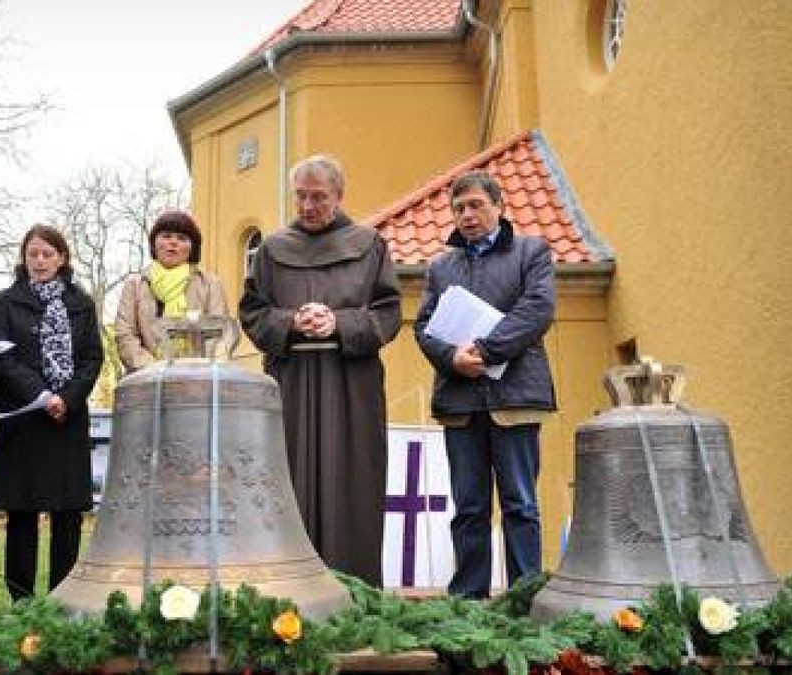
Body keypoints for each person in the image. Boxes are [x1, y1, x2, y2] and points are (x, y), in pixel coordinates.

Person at [238, 154, 401, 587]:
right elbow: (253, 314)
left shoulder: (369, 245)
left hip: (351, 383)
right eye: (301, 196)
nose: (308, 206)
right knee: (286, 479)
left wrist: (340, 323)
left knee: (353, 481)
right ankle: (287, 588)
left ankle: (355, 592)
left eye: (318, 197)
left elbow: (388, 313)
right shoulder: (272, 249)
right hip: (291, 382)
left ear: (339, 196)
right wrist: (291, 322)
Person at [413, 170, 557, 599]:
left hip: (515, 397)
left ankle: (524, 597)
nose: (467, 215)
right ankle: (468, 601)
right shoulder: (440, 268)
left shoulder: (532, 251)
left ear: (499, 206)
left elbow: (538, 309)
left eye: (476, 205)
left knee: (520, 505)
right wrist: (452, 359)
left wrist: (486, 350)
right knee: (470, 508)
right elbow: (424, 328)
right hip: (461, 403)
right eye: (459, 208)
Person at [0, 225, 104, 599]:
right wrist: (39, 393)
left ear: (62, 259)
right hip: (23, 419)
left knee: (67, 516)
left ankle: (62, 598)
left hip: (65, 421)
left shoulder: (81, 303)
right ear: (24, 257)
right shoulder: (4, 302)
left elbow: (92, 357)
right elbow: (1, 355)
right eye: (32, 254)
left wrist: (65, 398)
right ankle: (21, 601)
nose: (39, 261)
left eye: (47, 254)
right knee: (23, 515)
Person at [115, 210, 231, 371]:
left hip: (199, 379)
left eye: (182, 238)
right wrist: (155, 368)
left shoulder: (209, 283)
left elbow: (221, 334)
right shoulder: (135, 285)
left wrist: (204, 370)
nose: (173, 242)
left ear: (193, 248)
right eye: (166, 236)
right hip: (146, 377)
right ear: (154, 243)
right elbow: (125, 334)